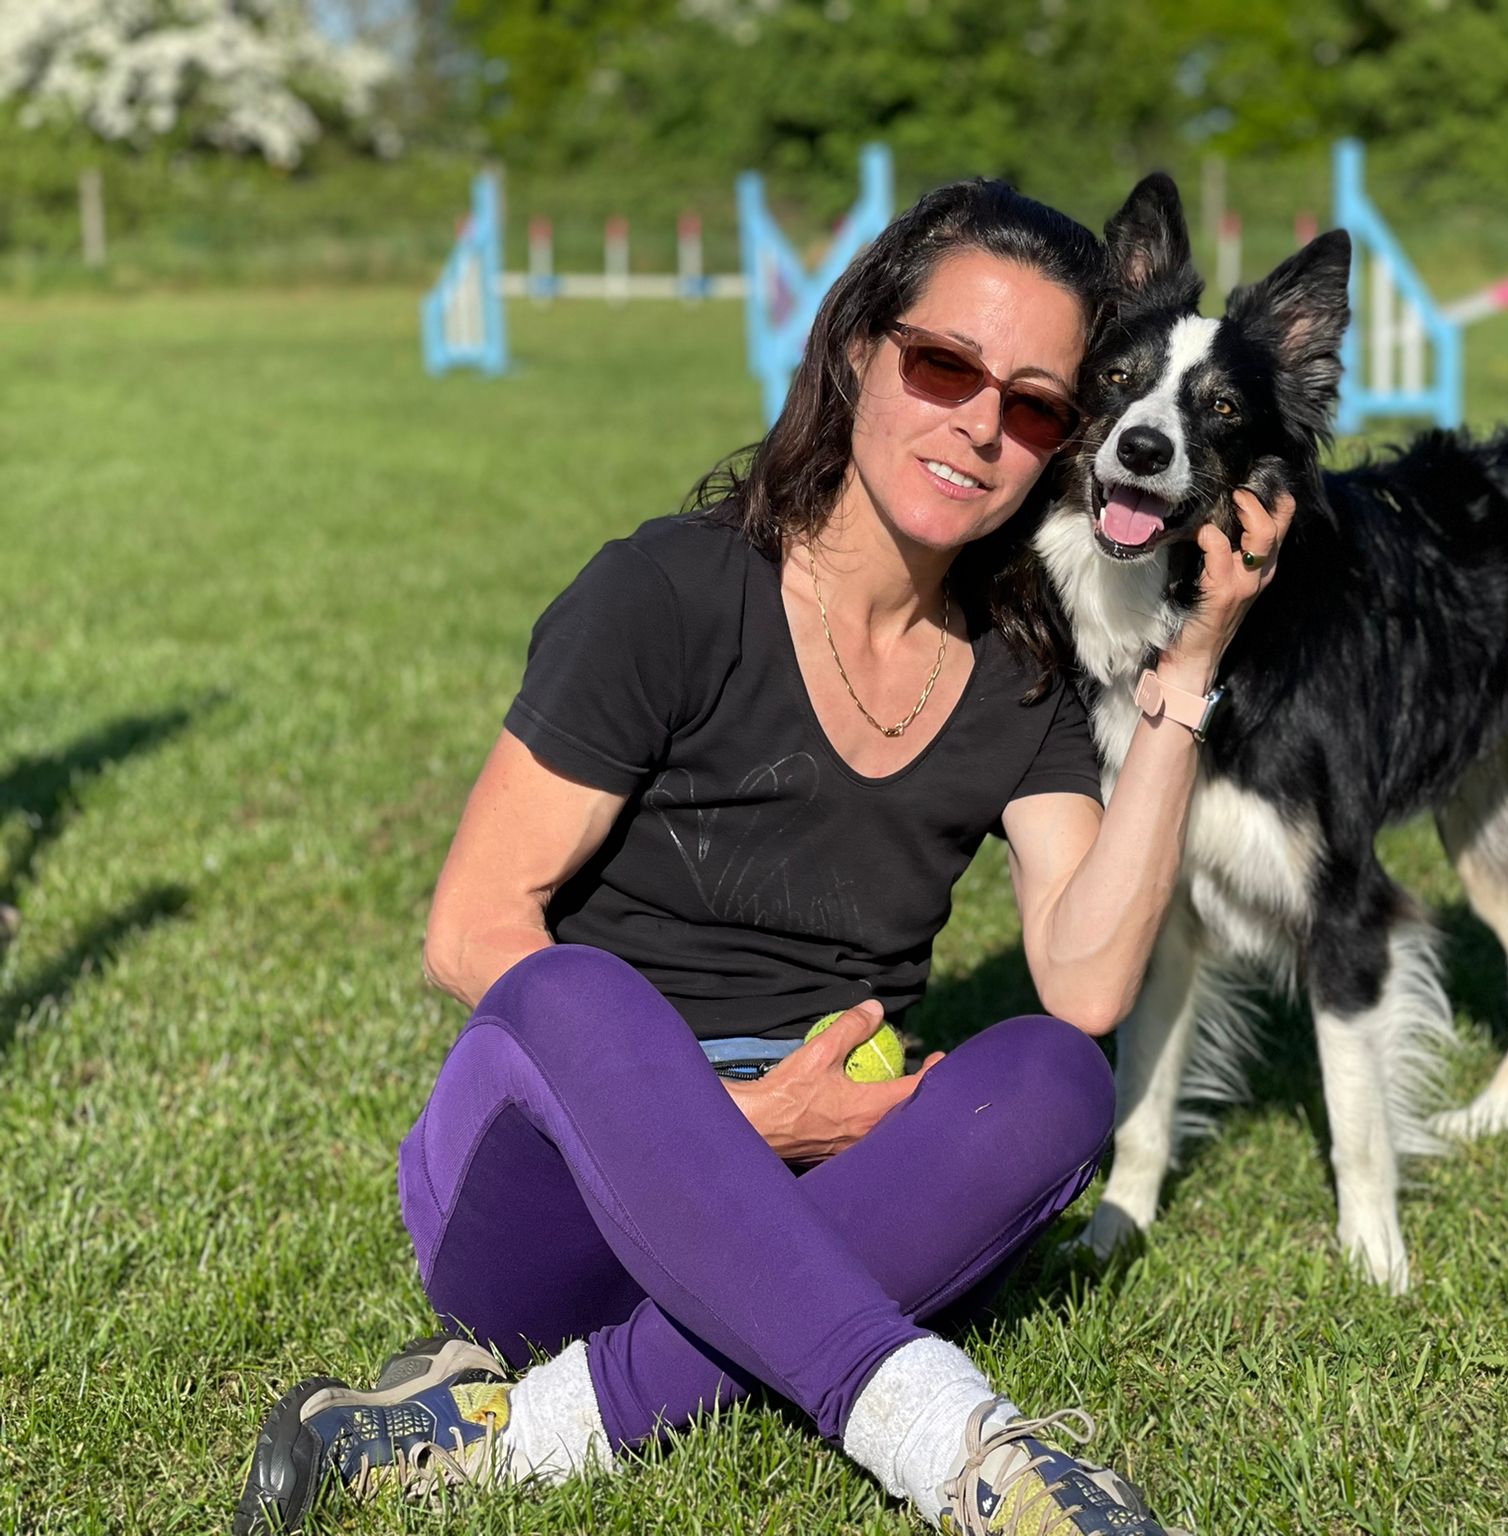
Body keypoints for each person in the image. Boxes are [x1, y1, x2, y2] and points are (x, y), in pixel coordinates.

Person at [233, 178, 1290, 1536]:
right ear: (857, 352)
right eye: (945, 366)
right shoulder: (667, 593)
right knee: (574, 991)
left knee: (1053, 1076)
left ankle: (519, 1432)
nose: (981, 425)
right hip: (567, 1177)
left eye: (1034, 405)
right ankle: (963, 1447)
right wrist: (740, 1124)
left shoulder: (1016, 674)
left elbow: (1086, 979)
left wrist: (1187, 673)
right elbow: (471, 928)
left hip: (829, 1180)